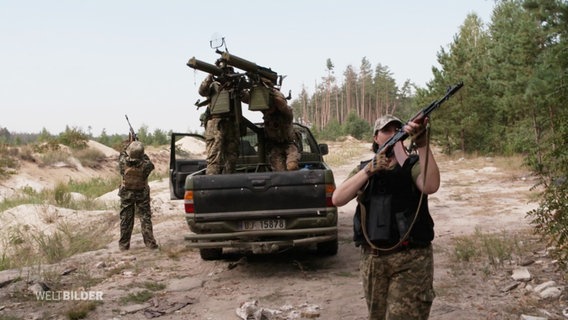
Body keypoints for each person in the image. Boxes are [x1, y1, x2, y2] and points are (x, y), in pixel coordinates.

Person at [332, 114, 439, 320]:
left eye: (397, 130)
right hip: (374, 259)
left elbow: (430, 185)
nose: (392, 134)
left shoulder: (411, 164)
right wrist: (368, 171)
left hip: (411, 257)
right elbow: (338, 198)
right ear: (376, 137)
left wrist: (423, 143)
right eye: (387, 131)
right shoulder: (365, 168)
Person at [198, 60, 240, 175]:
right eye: (224, 70)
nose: (227, 73)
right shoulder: (213, 85)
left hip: (231, 123)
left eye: (229, 70)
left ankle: (229, 184)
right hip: (215, 124)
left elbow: (247, 98)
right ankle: (211, 185)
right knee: (214, 158)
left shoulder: (234, 85)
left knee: (231, 158)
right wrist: (211, 74)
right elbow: (202, 91)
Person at [118, 140, 159, 251]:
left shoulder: (122, 162)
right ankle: (150, 244)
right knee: (145, 218)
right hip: (142, 194)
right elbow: (146, 159)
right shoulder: (146, 165)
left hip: (126, 194)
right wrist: (140, 150)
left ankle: (123, 245)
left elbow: (123, 153)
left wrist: (130, 144)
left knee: (126, 219)